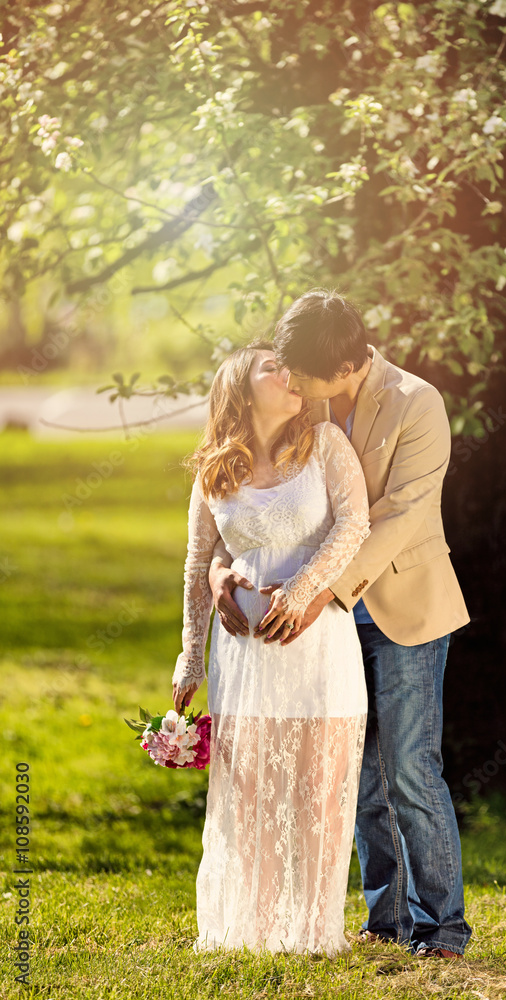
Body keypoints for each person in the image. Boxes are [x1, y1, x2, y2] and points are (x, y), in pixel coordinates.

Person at [209, 291, 473, 958]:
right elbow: (256, 498)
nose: (289, 383)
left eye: (303, 373)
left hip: (395, 602)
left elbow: (399, 517)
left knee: (408, 765)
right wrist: (223, 573)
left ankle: (440, 926)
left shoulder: (418, 404)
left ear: (347, 364)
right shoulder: (309, 401)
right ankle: (384, 916)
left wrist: (315, 593)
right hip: (312, 610)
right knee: (351, 768)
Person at [171, 340, 371, 956]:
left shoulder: (326, 445)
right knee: (250, 786)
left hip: (318, 642)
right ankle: (248, 930)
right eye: (270, 367)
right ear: (237, 386)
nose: (289, 375)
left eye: (290, 366)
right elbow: (200, 560)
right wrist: (191, 656)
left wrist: (304, 591)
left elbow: (354, 523)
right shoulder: (215, 468)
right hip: (245, 656)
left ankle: (310, 932)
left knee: (317, 783)